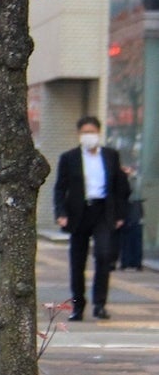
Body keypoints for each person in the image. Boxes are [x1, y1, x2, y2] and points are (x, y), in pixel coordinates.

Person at [52, 115, 131, 320]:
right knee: (77, 261)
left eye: (92, 132)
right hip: (79, 213)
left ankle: (100, 304)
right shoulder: (69, 158)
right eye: (85, 132)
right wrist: (60, 213)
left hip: (103, 211)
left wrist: (120, 215)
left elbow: (121, 187)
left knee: (104, 256)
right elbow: (60, 188)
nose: (89, 136)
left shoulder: (110, 155)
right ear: (79, 134)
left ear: (99, 133)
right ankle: (78, 306)